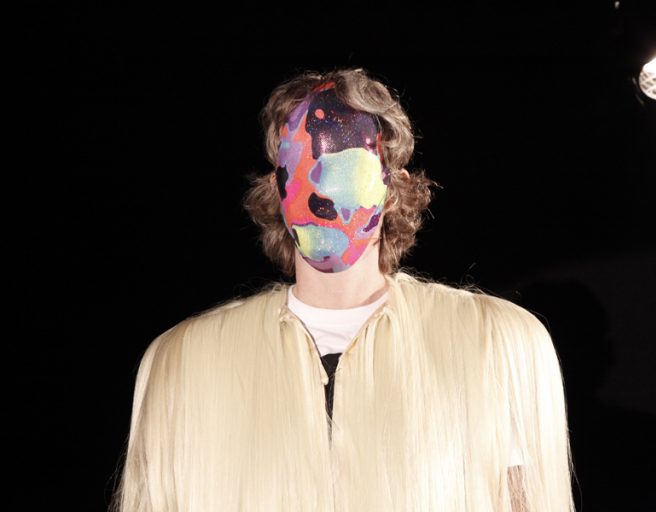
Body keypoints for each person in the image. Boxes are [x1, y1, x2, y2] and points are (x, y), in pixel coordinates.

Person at [110, 67, 575, 512]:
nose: (322, 195)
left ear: (393, 187)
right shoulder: (185, 365)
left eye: (346, 168)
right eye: (301, 167)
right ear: (277, 187)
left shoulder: (492, 347)